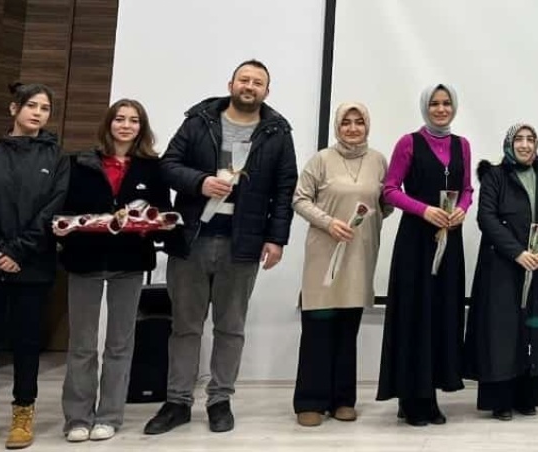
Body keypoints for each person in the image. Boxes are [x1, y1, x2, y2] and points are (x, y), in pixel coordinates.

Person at [144, 59, 298, 435]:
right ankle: (177, 401)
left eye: (258, 82)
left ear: (267, 91)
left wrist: (277, 238)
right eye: (244, 79)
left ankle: (220, 400)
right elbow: (168, 166)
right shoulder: (199, 120)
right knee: (185, 326)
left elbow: (284, 188)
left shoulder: (276, 131)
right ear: (231, 83)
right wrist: (200, 183)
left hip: (241, 244)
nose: (250, 86)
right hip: (193, 240)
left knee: (231, 328)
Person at [58, 99, 175, 443]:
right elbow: (65, 210)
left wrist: (147, 223)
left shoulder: (152, 168)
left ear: (142, 127)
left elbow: (162, 213)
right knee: (81, 344)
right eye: (120, 119)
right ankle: (77, 417)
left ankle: (109, 415)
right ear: (109, 123)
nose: (126, 125)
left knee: (120, 343)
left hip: (129, 262)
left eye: (133, 120)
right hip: (85, 261)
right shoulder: (79, 162)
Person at [0, 83, 69, 450]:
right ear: (14, 108)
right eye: (31, 105)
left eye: (45, 108)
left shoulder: (58, 158)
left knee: (28, 343)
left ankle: (23, 413)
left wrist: (20, 251)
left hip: (33, 265)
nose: (38, 113)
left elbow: (53, 209)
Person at [376, 84, 473, 427]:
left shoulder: (463, 145)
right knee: (415, 314)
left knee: (441, 313)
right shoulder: (408, 143)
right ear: (425, 107)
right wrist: (424, 210)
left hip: (450, 239)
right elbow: (389, 190)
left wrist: (461, 209)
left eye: (447, 103)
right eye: (435, 103)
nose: (441, 109)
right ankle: (413, 398)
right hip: (417, 240)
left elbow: (467, 190)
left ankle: (428, 392)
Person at [291, 102, 391, 427]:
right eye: (345, 122)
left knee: (348, 328)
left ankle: (342, 399)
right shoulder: (321, 160)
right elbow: (299, 199)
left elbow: (385, 203)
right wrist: (328, 222)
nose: (352, 128)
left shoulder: (378, 161)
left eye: (358, 122)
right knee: (319, 327)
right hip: (324, 252)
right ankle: (310, 400)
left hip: (360, 254)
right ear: (337, 126)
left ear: (367, 125)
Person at [463, 123, 538, 420]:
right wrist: (518, 253)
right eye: (518, 139)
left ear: (536, 144)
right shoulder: (495, 175)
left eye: (530, 139)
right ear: (509, 144)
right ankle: (500, 401)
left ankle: (526, 396)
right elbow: (487, 218)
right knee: (502, 333)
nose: (524, 145)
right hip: (503, 267)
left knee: (533, 329)